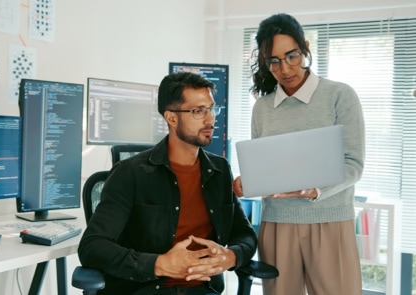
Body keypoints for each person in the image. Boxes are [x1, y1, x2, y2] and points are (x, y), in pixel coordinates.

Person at [78, 71, 257, 295]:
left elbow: (245, 235)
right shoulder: (130, 173)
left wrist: (232, 257)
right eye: (198, 111)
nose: (210, 119)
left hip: (204, 290)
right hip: (146, 290)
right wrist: (160, 264)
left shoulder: (220, 171)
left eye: (211, 109)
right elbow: (92, 247)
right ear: (171, 118)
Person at [232, 13, 366, 295]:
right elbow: (266, 164)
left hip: (330, 222)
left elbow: (353, 164)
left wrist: (315, 189)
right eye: (274, 61)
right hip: (278, 225)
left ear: (305, 48)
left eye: (292, 56)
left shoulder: (340, 95)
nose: (285, 68)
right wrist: (249, 182)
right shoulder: (263, 108)